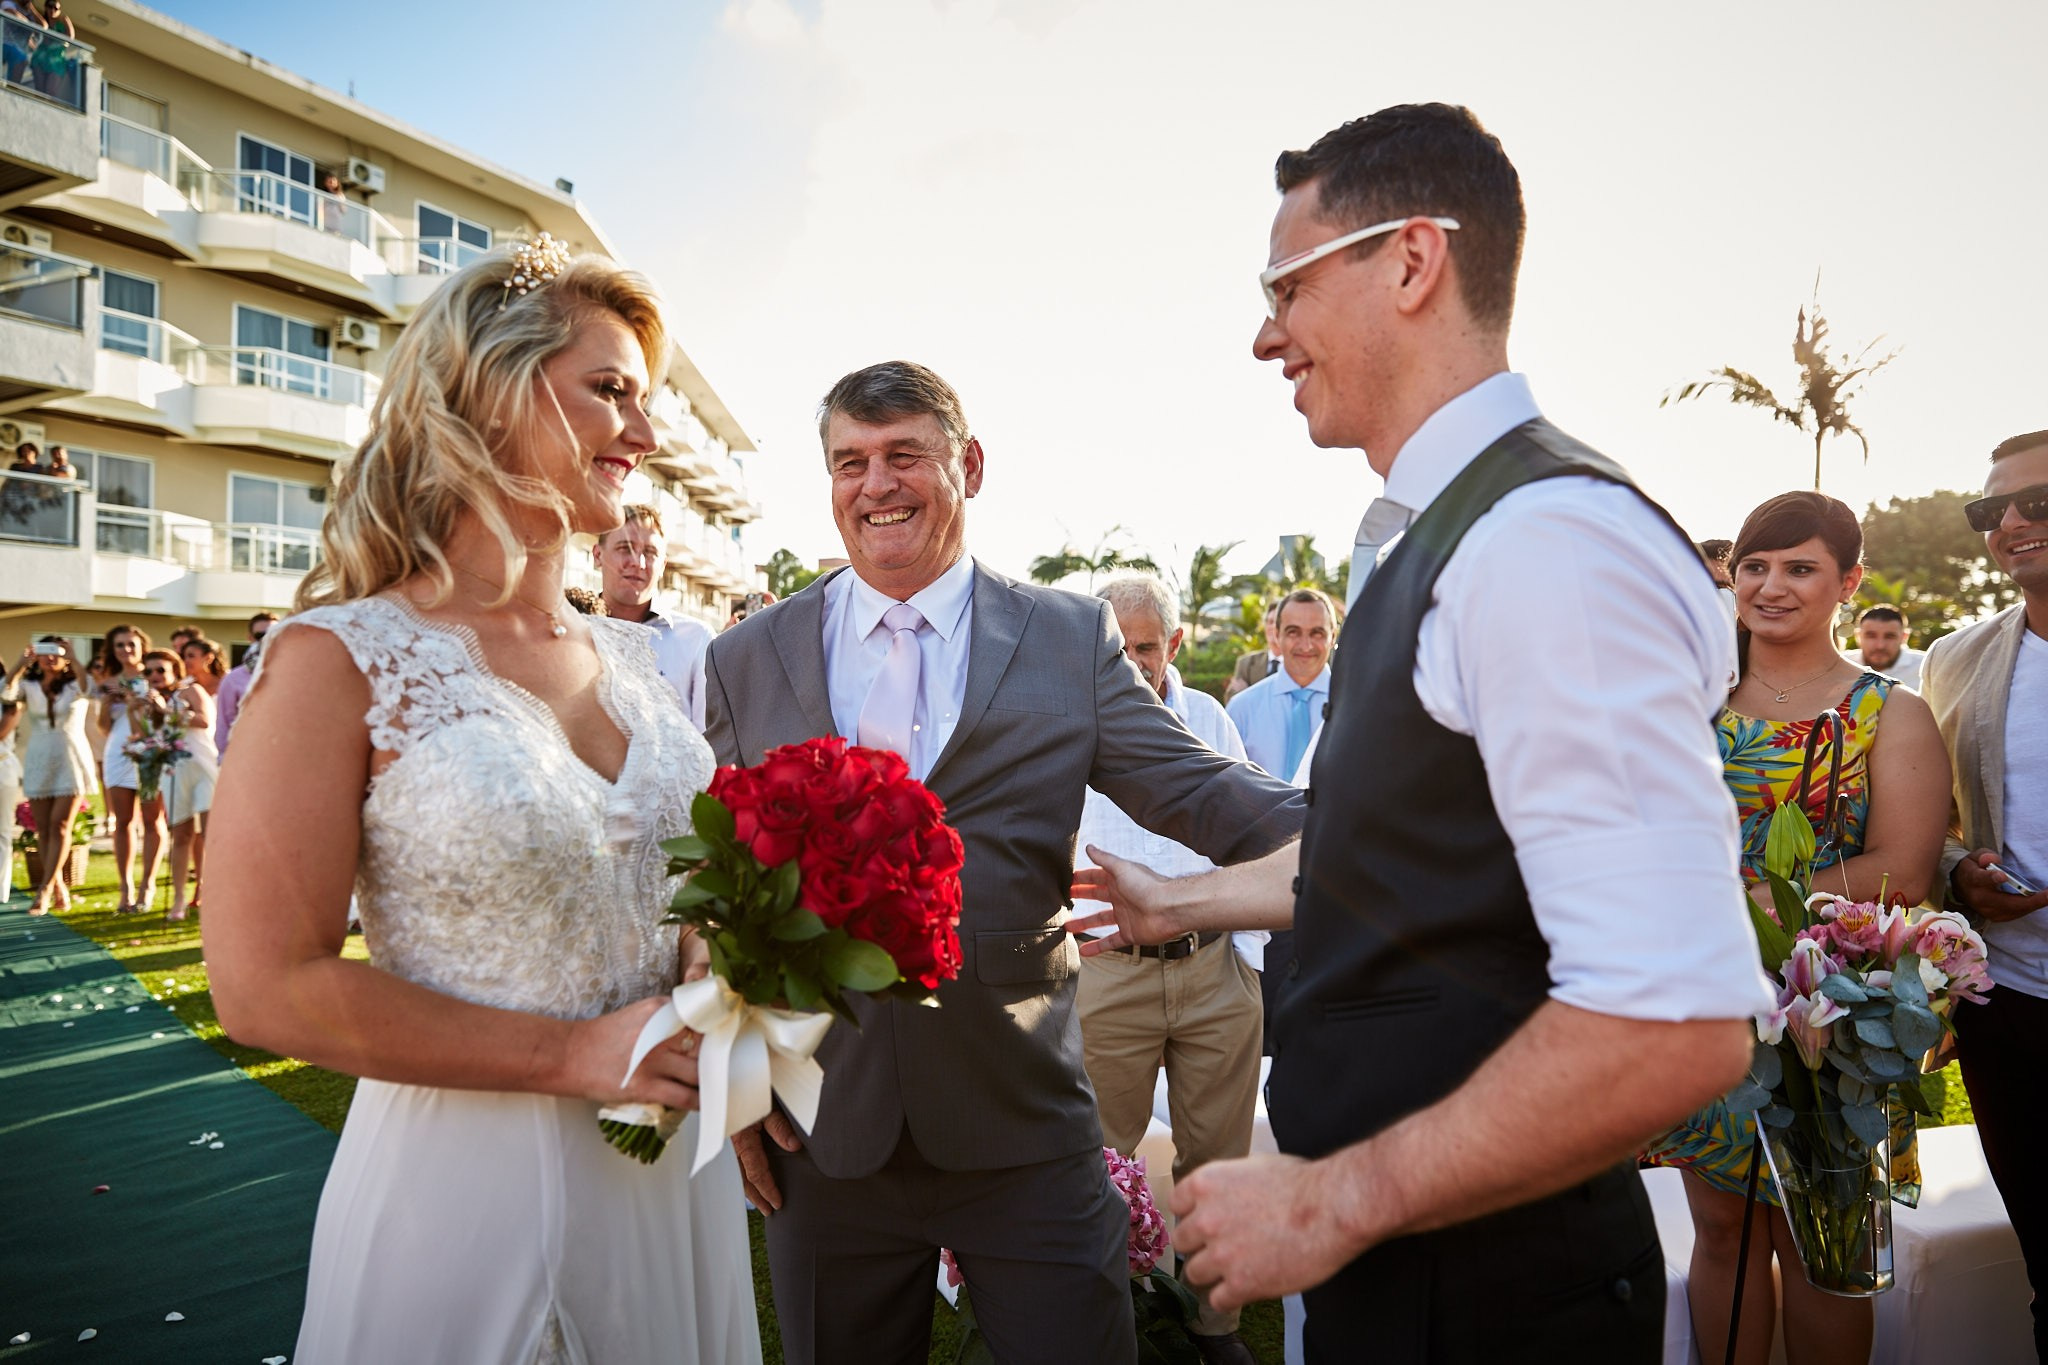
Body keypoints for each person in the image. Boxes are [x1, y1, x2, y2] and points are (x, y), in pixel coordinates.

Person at [1068, 105, 1774, 1362]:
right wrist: (1183, 903)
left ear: (1409, 261)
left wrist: (1329, 1200)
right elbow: (1407, 854)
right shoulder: (1451, 534)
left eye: (1286, 286)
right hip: (1411, 1273)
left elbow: (1673, 1019)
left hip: (1496, 1302)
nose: (1263, 334)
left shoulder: (1542, 547)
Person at [201, 240, 759, 1364]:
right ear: (490, 391)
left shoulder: (635, 664)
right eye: (611, 392)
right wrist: (569, 1056)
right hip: (465, 1193)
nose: (644, 438)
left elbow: (669, 878)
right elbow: (262, 987)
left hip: (665, 1182)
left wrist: (716, 955)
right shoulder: (336, 658)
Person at [703, 360, 1304, 1365]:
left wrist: (1388, 822)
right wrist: (732, 1075)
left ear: (969, 465)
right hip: (826, 1126)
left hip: (1023, 1123)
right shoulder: (747, 656)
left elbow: (1207, 794)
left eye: (905, 455)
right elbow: (725, 889)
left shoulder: (1067, 639)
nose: (876, 484)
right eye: (850, 462)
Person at [1640, 491, 1948, 1365]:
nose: (1771, 586)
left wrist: (1761, 900)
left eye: (1800, 567)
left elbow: (1905, 865)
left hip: (1829, 1013)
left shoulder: (1889, 711)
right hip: (1700, 998)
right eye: (1755, 566)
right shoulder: (1687, 703)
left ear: (1849, 581)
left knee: (1823, 1246)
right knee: (1721, 1230)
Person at [1073, 574, 1266, 1365]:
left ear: (1175, 644)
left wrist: (1247, 965)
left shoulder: (1212, 718)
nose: (1131, 662)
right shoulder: (1069, 721)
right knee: (1100, 1163)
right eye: (1115, 648)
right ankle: (1115, 1321)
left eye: (1145, 646)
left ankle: (1214, 1328)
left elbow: (1253, 831)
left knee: (1219, 1162)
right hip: (1109, 973)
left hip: (1214, 968)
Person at [1921, 428, 2048, 1357]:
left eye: (2035, 502)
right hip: (2015, 1011)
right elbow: (1933, 821)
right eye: (1989, 509)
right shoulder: (1954, 658)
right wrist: (1959, 867)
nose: (2008, 522)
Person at [593, 503, 711, 729]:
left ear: (663, 564)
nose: (638, 563)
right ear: (598, 555)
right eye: (624, 548)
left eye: (650, 553)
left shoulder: (697, 639)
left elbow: (708, 735)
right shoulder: (570, 630)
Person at [4, 637, 94, 915]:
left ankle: (43, 890)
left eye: (56, 652)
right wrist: (21, 664)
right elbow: (5, 693)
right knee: (43, 828)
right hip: (39, 758)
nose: (50, 657)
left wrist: (75, 659)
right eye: (44, 653)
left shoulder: (74, 685)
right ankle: (57, 885)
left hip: (70, 757)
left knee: (60, 825)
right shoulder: (29, 686)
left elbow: (89, 689)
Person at [136, 648, 218, 921]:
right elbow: (145, 736)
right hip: (173, 771)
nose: (155, 675)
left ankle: (212, 891)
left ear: (174, 670)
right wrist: (141, 711)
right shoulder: (149, 702)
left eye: (161, 669)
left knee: (210, 833)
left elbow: (204, 721)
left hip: (203, 768)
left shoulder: (191, 691)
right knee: (181, 835)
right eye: (149, 671)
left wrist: (166, 710)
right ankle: (179, 898)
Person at [98, 622, 164, 915]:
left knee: (152, 819)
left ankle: (147, 885)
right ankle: (124, 888)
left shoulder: (155, 676)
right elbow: (104, 728)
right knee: (123, 821)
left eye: (131, 644)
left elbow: (163, 717)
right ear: (112, 650)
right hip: (118, 751)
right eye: (119, 645)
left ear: (142, 647)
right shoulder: (108, 682)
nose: (125, 649)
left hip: (150, 750)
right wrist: (106, 704)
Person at [213, 612, 277, 754]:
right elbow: (224, 724)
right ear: (250, 638)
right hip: (245, 751)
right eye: (260, 635)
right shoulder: (233, 679)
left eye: (273, 633)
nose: (267, 639)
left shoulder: (291, 672)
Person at [1844, 604, 1925, 689]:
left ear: (1904, 637)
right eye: (1871, 636)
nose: (1880, 646)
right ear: (1858, 636)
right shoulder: (1840, 665)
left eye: (1890, 637)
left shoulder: (1926, 667)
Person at [1223, 601, 1280, 701]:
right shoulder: (1246, 663)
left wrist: (1247, 692)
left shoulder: (1299, 663)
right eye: (1270, 622)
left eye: (1278, 622)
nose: (1273, 627)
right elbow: (1232, 700)